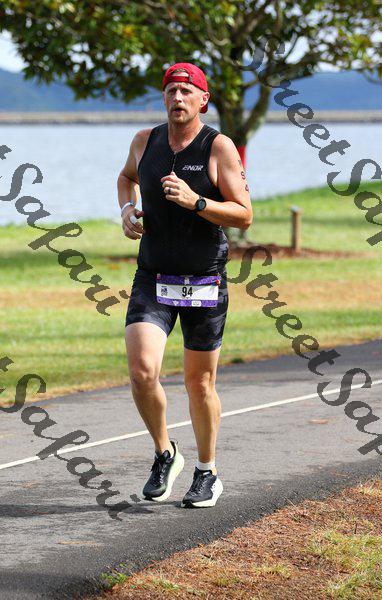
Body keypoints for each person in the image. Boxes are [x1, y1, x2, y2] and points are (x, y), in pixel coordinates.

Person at [117, 62, 252, 508]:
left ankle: (207, 471)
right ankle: (165, 454)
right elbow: (126, 177)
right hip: (153, 275)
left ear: (203, 100)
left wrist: (197, 202)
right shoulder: (145, 142)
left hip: (204, 279)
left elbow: (243, 214)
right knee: (142, 372)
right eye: (171, 91)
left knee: (199, 383)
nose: (177, 98)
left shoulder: (218, 146)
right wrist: (127, 209)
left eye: (186, 91)